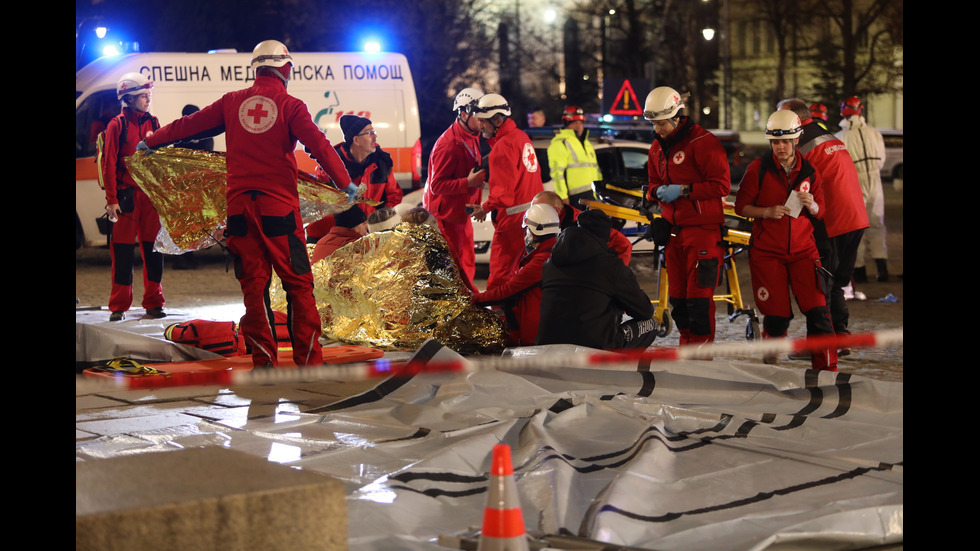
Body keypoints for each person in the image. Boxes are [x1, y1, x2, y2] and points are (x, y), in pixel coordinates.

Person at [140, 39, 356, 369]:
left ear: (255, 69)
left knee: (254, 289)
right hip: (279, 211)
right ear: (285, 68)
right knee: (298, 284)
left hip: (239, 212)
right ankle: (308, 362)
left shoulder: (231, 102)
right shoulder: (291, 106)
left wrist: (150, 141)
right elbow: (321, 147)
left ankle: (264, 362)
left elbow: (188, 125)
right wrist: (346, 184)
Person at [734, 110, 837, 371]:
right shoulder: (757, 169)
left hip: (804, 250)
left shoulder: (810, 171)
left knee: (818, 313)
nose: (779, 147)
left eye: (785, 141)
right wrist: (766, 212)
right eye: (775, 142)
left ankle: (826, 371)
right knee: (777, 316)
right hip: (767, 253)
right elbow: (741, 206)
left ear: (796, 141)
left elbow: (822, 211)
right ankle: (772, 364)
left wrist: (812, 204)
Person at [642, 86, 730, 346]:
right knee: (678, 301)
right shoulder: (657, 149)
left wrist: (683, 191)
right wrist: (658, 196)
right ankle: (686, 346)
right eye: (654, 124)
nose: (657, 130)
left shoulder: (704, 144)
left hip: (703, 233)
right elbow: (653, 186)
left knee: (699, 301)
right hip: (674, 233)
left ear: (676, 116)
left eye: (661, 124)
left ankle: (701, 355)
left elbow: (721, 186)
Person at [776, 99, 868, 347]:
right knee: (837, 282)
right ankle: (840, 336)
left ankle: (820, 345)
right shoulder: (828, 137)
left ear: (793, 119)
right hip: (856, 218)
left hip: (832, 221)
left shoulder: (801, 144)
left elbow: (796, 190)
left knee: (819, 285)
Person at [537, 210, 658, 350]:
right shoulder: (611, 266)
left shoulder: (550, 263)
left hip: (547, 342)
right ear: (605, 237)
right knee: (651, 323)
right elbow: (645, 310)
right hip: (593, 347)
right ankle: (617, 367)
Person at [99, 72, 167, 322]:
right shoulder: (117, 125)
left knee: (153, 251)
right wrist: (111, 200)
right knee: (123, 253)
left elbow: (161, 161)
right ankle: (118, 305)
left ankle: (154, 302)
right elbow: (108, 164)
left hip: (149, 199)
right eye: (143, 96)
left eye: (149, 95)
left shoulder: (154, 122)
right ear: (128, 98)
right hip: (126, 199)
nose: (148, 99)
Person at [469, 93, 545, 290]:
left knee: (501, 276)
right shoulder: (521, 137)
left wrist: (484, 208)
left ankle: (500, 318)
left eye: (483, 122)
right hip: (532, 218)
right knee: (525, 273)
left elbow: (503, 195)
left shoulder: (503, 147)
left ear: (497, 120)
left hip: (512, 223)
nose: (480, 126)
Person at [422, 88, 487, 288]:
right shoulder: (448, 145)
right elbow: (436, 186)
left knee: (466, 265)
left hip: (459, 213)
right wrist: (468, 183)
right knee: (455, 271)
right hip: (446, 218)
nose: (483, 121)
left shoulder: (472, 134)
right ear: (464, 113)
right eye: (479, 115)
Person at [304, 114, 403, 243]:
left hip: (368, 231)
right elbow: (329, 205)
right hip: (335, 234)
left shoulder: (382, 162)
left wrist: (378, 222)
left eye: (374, 131)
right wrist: (354, 222)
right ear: (356, 140)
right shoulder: (331, 167)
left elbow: (393, 196)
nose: (375, 136)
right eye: (369, 133)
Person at [471, 203, 559, 346]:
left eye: (527, 231)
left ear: (535, 230)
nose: (526, 235)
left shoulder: (541, 260)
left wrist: (473, 298)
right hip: (546, 328)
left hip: (535, 334)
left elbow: (507, 291)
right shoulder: (553, 250)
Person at [835, 96, 889, 282]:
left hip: (854, 182)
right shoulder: (875, 133)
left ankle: (859, 271)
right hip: (875, 181)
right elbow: (881, 159)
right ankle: (882, 269)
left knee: (855, 227)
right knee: (877, 224)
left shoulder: (841, 137)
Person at [531, 191, 632, 266]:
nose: (535, 214)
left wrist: (611, 276)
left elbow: (623, 244)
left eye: (540, 210)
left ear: (556, 211)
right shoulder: (541, 223)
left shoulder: (586, 223)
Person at [547, 105, 602, 208]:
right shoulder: (560, 143)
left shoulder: (587, 143)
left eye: (581, 123)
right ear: (567, 124)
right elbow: (557, 174)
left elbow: (596, 170)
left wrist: (600, 191)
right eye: (575, 123)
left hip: (592, 195)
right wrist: (563, 196)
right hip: (574, 198)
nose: (579, 126)